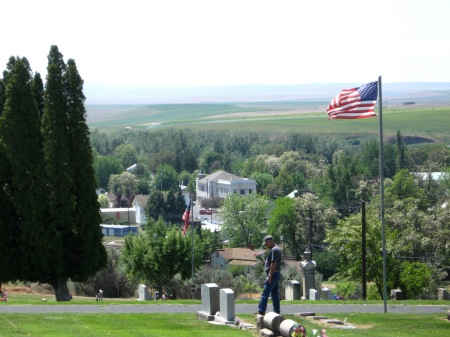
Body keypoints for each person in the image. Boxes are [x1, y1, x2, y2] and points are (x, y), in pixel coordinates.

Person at [257, 235, 282, 315]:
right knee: (275, 294)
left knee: (265, 293)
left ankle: (261, 311)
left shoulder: (274, 250)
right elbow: (272, 263)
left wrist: (270, 275)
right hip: (276, 274)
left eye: (266, 244)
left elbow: (274, 263)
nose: (266, 246)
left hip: (273, 274)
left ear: (270, 241)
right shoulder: (276, 249)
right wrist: (265, 264)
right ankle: (276, 311)